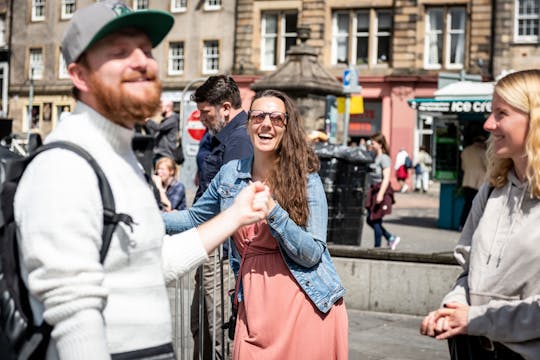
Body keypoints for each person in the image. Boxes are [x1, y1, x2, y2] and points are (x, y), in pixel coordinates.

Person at [12, 2, 273, 358]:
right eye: (120, 52)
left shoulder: (122, 161)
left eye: (147, 50)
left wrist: (235, 215)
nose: (142, 62)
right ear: (79, 75)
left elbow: (151, 263)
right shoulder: (64, 166)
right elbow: (74, 319)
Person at [163, 89, 349, 359]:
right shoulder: (230, 174)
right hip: (253, 305)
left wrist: (274, 212)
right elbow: (193, 218)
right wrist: (145, 218)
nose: (266, 124)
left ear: (287, 127)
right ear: (249, 123)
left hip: (303, 303)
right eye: (259, 116)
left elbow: (312, 254)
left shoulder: (305, 179)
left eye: (276, 119)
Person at [420, 69, 540, 359]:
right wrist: (452, 308)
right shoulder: (491, 190)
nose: (488, 124)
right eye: (491, 112)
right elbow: (468, 271)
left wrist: (476, 318)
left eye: (501, 113)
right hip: (474, 348)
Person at [189, 75, 254, 359]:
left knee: (216, 329)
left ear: (225, 107)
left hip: (222, 247)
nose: (201, 118)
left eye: (206, 112)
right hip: (210, 240)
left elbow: (230, 202)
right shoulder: (222, 136)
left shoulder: (239, 140)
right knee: (200, 323)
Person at [365, 133, 400, 250]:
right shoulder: (375, 156)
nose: (371, 144)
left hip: (381, 191)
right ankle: (390, 238)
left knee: (375, 219)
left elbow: (386, 178)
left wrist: (380, 194)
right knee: (371, 219)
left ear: (380, 144)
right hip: (374, 190)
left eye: (373, 143)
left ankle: (377, 247)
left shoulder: (384, 158)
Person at [459, 134, 487, 228]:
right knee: (478, 205)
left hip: (467, 181)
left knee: (467, 204)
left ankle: (462, 224)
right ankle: (474, 226)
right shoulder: (482, 152)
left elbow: (463, 167)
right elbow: (488, 166)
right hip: (479, 182)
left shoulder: (465, 151)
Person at [145, 99, 180, 164]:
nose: (160, 109)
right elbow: (155, 133)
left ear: (168, 107)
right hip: (159, 153)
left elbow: (159, 128)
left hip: (166, 154)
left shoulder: (173, 119)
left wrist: (148, 120)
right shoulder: (165, 120)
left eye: (161, 107)